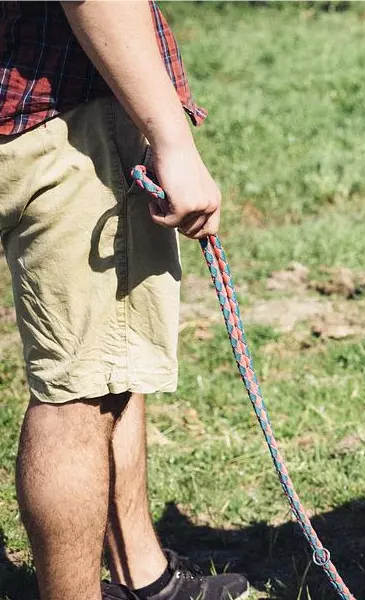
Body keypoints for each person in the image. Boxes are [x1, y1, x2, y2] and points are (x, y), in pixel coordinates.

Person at [0, 2, 249, 599]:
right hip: (56, 112)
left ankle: (143, 575)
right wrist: (172, 139)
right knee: (78, 393)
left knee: (112, 359)